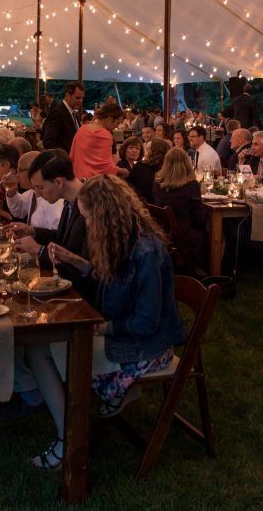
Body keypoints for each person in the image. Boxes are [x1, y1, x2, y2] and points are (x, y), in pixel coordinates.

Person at [24, 175, 186, 469]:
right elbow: (112, 281)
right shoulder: (126, 238)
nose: (87, 225)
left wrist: (104, 328)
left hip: (145, 347)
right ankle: (70, 430)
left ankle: (68, 441)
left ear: (105, 215)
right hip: (128, 334)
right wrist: (75, 260)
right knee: (39, 345)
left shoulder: (146, 251)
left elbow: (146, 322)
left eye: (88, 218)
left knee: (40, 349)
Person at [11, 150, 89, 292]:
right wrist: (33, 231)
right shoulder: (70, 201)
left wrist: (39, 250)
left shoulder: (91, 206)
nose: (38, 193)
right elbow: (63, 241)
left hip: (83, 295)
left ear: (58, 182)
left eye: (40, 187)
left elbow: (79, 263)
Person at [152, 148, 207, 266]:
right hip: (184, 235)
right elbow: (199, 219)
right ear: (186, 164)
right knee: (216, 231)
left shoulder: (158, 183)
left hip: (162, 231)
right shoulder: (191, 186)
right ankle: (208, 267)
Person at [3, 151, 64, 229]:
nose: (17, 175)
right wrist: (11, 191)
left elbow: (58, 236)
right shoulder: (31, 193)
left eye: (20, 170)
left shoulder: (53, 200)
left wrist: (32, 233)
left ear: (33, 170)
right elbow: (18, 211)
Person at [70, 102, 124, 179]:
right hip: (94, 183)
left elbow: (72, 156)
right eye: (117, 123)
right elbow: (106, 167)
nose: (116, 127)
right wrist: (122, 170)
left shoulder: (81, 129)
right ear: (110, 119)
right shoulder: (105, 135)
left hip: (77, 179)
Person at [41, 81, 84, 152]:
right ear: (67, 95)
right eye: (77, 98)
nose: (80, 101)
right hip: (64, 160)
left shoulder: (73, 113)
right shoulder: (58, 112)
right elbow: (48, 142)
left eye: (82, 98)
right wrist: (62, 159)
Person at [128, 139, 169, 205]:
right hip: (158, 206)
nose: (145, 152)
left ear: (154, 152)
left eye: (147, 149)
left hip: (140, 205)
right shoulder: (167, 168)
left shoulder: (141, 166)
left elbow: (129, 186)